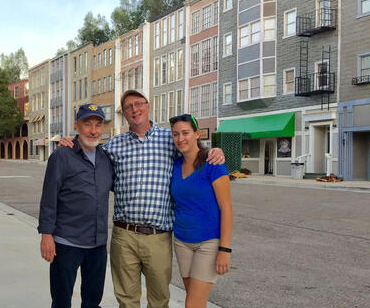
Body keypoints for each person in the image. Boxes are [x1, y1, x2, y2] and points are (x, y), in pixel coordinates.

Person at [59, 90, 225, 308]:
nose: (134, 110)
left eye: (138, 104)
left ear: (148, 106)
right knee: (127, 301)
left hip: (158, 236)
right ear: (124, 114)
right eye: (128, 107)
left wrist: (215, 150)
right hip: (123, 236)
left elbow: (193, 150)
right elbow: (89, 153)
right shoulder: (113, 146)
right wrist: (71, 143)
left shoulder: (171, 139)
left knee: (158, 300)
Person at [38, 103, 114, 308]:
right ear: (76, 126)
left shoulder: (106, 158)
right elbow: (49, 198)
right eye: (87, 124)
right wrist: (46, 235)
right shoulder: (62, 155)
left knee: (92, 301)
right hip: (66, 243)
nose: (93, 130)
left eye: (98, 125)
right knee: (62, 301)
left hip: (97, 245)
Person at [169, 113, 232, 308]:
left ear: (197, 134)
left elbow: (226, 208)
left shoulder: (213, 164)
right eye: (176, 134)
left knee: (192, 304)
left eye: (186, 132)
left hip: (208, 243)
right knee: (195, 300)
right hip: (182, 242)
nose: (181, 139)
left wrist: (224, 249)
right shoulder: (175, 165)